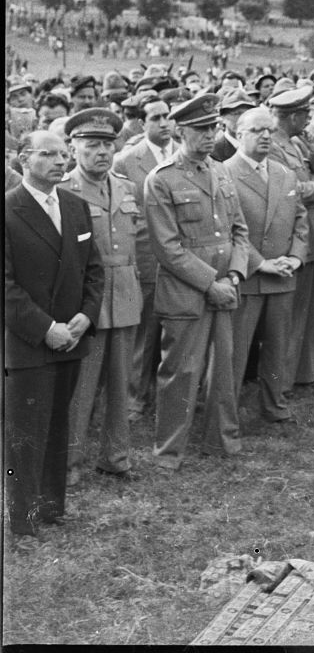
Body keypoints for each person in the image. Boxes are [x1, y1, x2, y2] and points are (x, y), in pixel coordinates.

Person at [4, 130, 104, 538]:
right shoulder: (9, 210)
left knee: (58, 424)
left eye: (64, 154)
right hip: (29, 342)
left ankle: (50, 507)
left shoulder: (76, 206)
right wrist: (46, 328)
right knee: (25, 432)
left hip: (72, 338)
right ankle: (23, 520)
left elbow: (94, 270)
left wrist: (86, 316)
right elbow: (5, 285)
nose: (61, 161)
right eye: (48, 154)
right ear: (24, 160)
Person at [143, 94, 250, 470]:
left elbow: (239, 229)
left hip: (226, 283)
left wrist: (235, 273)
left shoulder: (221, 171)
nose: (209, 136)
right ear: (180, 130)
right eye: (201, 129)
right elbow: (167, 248)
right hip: (186, 290)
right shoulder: (162, 180)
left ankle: (223, 441)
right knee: (181, 372)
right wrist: (212, 283)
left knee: (224, 368)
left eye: (214, 128)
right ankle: (169, 452)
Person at [60, 109, 143, 484]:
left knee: (120, 381)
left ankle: (116, 456)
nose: (102, 153)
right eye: (91, 145)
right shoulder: (64, 191)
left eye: (108, 145)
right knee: (80, 387)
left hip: (124, 293)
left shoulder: (126, 187)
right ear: (73, 148)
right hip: (85, 300)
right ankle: (68, 464)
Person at [225, 107, 308, 426]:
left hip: (283, 274)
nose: (265, 136)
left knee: (278, 346)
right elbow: (231, 229)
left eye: (269, 131)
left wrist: (296, 257)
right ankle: (225, 410)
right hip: (247, 276)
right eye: (257, 130)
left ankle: (274, 404)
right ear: (239, 134)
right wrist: (262, 264)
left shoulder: (284, 172)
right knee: (235, 351)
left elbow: (301, 218)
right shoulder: (224, 173)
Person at [112, 93, 177, 421]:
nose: (164, 123)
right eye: (156, 118)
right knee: (144, 333)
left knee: (176, 330)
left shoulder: (181, 154)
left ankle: (171, 394)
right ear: (141, 122)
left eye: (168, 116)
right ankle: (134, 399)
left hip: (181, 257)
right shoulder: (126, 160)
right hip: (147, 257)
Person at [266, 83, 314, 393]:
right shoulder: (273, 146)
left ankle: (302, 372)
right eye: (304, 114)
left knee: (307, 306)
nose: (309, 120)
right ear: (291, 116)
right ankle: (284, 377)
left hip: (309, 230)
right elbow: (290, 190)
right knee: (291, 311)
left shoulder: (295, 142)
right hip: (292, 233)